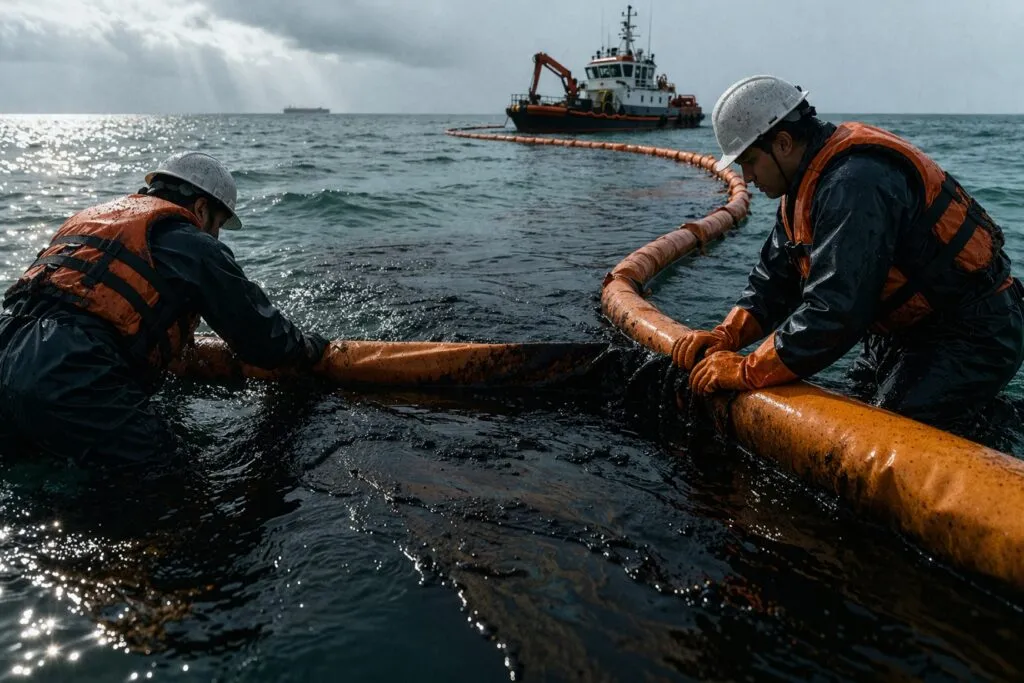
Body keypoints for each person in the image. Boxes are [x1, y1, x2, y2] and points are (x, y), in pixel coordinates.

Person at [675, 75, 1024, 428]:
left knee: (887, 433)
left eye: (748, 161)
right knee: (853, 409)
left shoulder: (854, 183)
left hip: (971, 331)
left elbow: (836, 310)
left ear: (782, 143)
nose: (746, 177)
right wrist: (726, 337)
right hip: (902, 333)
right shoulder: (803, 189)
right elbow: (773, 281)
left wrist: (747, 370)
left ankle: (993, 426)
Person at [0, 151, 330, 463]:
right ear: (201, 209)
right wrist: (309, 347)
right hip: (76, 371)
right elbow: (262, 340)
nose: (216, 236)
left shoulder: (89, 219)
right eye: (217, 225)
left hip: (7, 349)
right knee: (172, 492)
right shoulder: (194, 243)